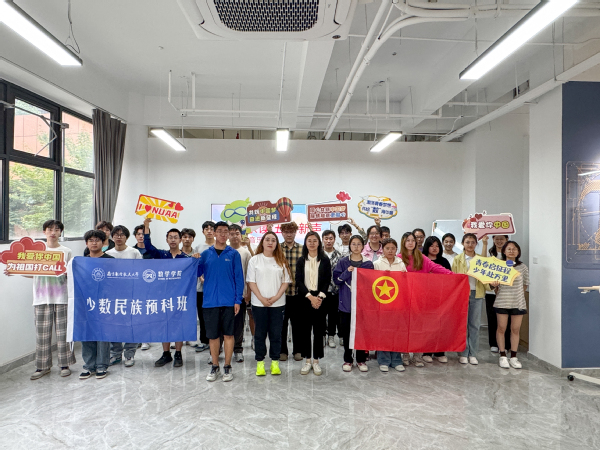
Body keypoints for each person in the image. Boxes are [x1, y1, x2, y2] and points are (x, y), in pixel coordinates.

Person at [13, 220, 76, 380]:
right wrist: (15, 269)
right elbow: (29, 272)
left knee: (63, 334)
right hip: (41, 298)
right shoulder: (36, 251)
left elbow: (71, 275)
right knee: (42, 335)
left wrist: (66, 273)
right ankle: (42, 367)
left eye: (57, 229)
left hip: (62, 297)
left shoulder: (66, 251)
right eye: (50, 229)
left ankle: (65, 365)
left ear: (60, 232)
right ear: (44, 232)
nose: (53, 232)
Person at [199, 221, 244, 382]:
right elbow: (196, 272)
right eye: (220, 231)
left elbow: (239, 278)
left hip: (229, 302)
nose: (223, 234)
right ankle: (215, 365)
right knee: (213, 336)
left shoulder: (234, 254)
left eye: (226, 231)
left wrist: (237, 300)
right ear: (214, 233)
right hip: (210, 302)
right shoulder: (206, 254)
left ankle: (227, 366)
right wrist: (195, 260)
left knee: (229, 335)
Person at [400, 232, 453, 367]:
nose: (411, 243)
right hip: (404, 299)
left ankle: (417, 356)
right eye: (408, 240)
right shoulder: (398, 258)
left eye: (413, 240)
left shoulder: (421, 257)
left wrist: (453, 275)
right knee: (405, 329)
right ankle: (405, 355)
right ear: (403, 243)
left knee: (418, 329)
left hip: (420, 299)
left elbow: (436, 268)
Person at [142, 218, 190, 368]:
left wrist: (197, 258)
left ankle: (178, 353)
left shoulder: (186, 258)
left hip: (181, 297)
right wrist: (146, 226)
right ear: (167, 240)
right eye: (170, 237)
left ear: (180, 240)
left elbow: (197, 272)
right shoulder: (161, 255)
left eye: (176, 237)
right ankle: (166, 353)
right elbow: (148, 246)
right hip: (163, 297)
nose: (173, 240)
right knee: (164, 325)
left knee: (178, 325)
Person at [246, 231, 291, 376]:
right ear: (262, 242)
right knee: (259, 334)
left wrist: (276, 297)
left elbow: (285, 282)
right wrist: (261, 298)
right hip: (259, 304)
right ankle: (260, 362)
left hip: (278, 304)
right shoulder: (255, 260)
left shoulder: (281, 260)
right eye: (267, 240)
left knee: (276, 334)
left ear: (277, 243)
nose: (270, 242)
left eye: (273, 240)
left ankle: (275, 362)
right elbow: (251, 282)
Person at [334, 235, 374, 372]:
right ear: (349, 246)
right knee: (346, 333)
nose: (356, 247)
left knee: (361, 332)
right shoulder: (343, 262)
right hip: (346, 304)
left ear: (363, 246)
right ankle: (348, 359)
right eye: (353, 244)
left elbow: (372, 284)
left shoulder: (368, 264)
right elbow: (336, 280)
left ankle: (361, 359)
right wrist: (347, 272)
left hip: (362, 305)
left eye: (359, 244)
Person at [106, 225, 142, 368]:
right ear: (112, 237)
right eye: (116, 234)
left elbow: (140, 272)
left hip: (131, 294)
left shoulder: (134, 252)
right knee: (113, 325)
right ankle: (115, 354)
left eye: (122, 235)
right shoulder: (107, 254)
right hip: (113, 295)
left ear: (126, 237)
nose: (119, 237)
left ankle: (129, 354)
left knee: (131, 325)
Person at [80, 229, 114, 380]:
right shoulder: (81, 262)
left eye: (97, 240)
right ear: (86, 243)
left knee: (102, 334)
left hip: (104, 302)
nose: (94, 243)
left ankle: (102, 365)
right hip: (86, 302)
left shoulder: (111, 260)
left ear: (103, 242)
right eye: (91, 240)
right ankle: (89, 366)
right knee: (87, 333)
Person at [296, 232, 331, 376]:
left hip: (320, 299)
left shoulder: (324, 259)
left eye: (314, 240)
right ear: (305, 243)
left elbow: (327, 280)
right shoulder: (301, 260)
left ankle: (316, 361)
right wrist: (310, 297)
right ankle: (307, 360)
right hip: (305, 298)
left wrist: (319, 298)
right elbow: (298, 281)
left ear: (319, 243)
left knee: (319, 331)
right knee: (305, 331)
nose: (312, 243)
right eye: (309, 240)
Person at [451, 233, 489, 365]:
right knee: (462, 325)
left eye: (473, 242)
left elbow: (485, 276)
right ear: (463, 243)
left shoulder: (480, 259)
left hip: (477, 294)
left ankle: (473, 353)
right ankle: (463, 353)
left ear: (476, 244)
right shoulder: (458, 259)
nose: (470, 245)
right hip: (462, 295)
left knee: (474, 325)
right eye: (467, 242)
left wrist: (492, 284)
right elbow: (453, 278)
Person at [491, 241, 529, 369]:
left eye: (514, 249)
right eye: (509, 249)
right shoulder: (499, 266)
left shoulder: (523, 267)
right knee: (501, 328)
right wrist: (495, 286)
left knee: (515, 329)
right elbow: (493, 286)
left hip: (518, 302)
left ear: (518, 252)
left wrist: (517, 294)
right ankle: (502, 355)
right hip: (502, 301)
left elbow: (525, 284)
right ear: (504, 251)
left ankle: (513, 357)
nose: (511, 251)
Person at [373, 238, 407, 372]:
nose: (390, 251)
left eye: (393, 248)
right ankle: (384, 360)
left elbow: (406, 283)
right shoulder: (377, 264)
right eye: (387, 248)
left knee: (397, 332)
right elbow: (372, 283)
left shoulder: (401, 263)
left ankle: (396, 360)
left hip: (397, 304)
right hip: (382, 304)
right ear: (383, 249)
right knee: (383, 332)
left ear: (396, 249)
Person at [421, 236, 451, 363]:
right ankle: (426, 351)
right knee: (427, 326)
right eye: (432, 245)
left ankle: (440, 352)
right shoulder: (421, 260)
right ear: (426, 247)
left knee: (441, 325)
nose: (434, 248)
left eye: (437, 246)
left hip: (441, 298)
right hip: (425, 298)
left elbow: (450, 279)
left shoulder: (444, 261)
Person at [279, 221, 303, 362]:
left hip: (298, 293)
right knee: (281, 324)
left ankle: (298, 350)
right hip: (281, 294)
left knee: (298, 324)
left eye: (291, 232)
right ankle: (283, 351)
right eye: (286, 232)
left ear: (295, 233)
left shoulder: (302, 249)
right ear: (282, 233)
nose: (289, 234)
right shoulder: (277, 249)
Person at [229, 224, 252, 363]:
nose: (234, 236)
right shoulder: (223, 251)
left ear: (240, 235)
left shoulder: (245, 253)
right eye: (231, 234)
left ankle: (238, 350)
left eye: (237, 233)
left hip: (241, 295)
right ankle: (218, 350)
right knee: (223, 324)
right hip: (225, 295)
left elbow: (250, 275)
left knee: (239, 324)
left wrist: (248, 293)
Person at [193, 221, 216, 353]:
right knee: (202, 316)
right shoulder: (199, 247)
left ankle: (217, 342)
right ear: (203, 232)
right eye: (206, 229)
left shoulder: (219, 246)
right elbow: (196, 266)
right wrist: (201, 278)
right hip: (201, 288)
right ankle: (204, 341)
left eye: (211, 229)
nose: (209, 231)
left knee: (215, 316)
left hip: (215, 288)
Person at [486, 235, 510, 353]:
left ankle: (506, 344)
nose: (499, 241)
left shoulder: (509, 255)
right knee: (492, 318)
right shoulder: (489, 254)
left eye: (502, 239)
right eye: (497, 239)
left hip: (506, 292)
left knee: (506, 319)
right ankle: (493, 343)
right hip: (490, 291)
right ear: (493, 239)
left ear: (506, 240)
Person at [132, 225, 152, 350]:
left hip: (148, 286)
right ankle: (136, 338)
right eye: (138, 234)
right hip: (134, 285)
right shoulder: (131, 251)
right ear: (135, 236)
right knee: (136, 312)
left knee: (147, 312)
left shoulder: (152, 251)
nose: (141, 236)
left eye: (143, 234)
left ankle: (146, 339)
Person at [322, 230, 342, 348]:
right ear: (322, 240)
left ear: (334, 240)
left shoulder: (339, 256)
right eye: (326, 238)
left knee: (333, 314)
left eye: (331, 238)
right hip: (321, 290)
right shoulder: (318, 254)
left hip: (335, 290)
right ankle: (322, 335)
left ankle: (331, 336)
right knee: (321, 314)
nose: (328, 241)